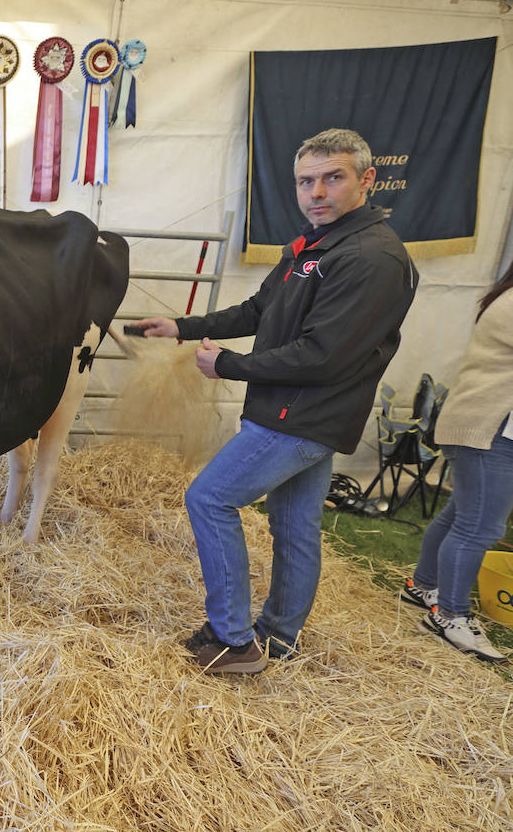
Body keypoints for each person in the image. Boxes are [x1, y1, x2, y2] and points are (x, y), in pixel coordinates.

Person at [134, 128, 417, 674]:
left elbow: (322, 356)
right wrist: (183, 326)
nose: (316, 192)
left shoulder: (370, 258)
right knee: (293, 527)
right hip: (294, 411)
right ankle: (278, 639)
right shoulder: (314, 245)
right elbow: (258, 309)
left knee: (209, 499)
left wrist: (228, 366)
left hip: (301, 416)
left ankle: (232, 640)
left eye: (333, 178)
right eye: (306, 181)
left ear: (367, 180)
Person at [399, 260, 513, 664]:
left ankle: (424, 586)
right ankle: (450, 615)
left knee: (461, 514)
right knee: (480, 526)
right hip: (486, 430)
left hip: (484, 427)